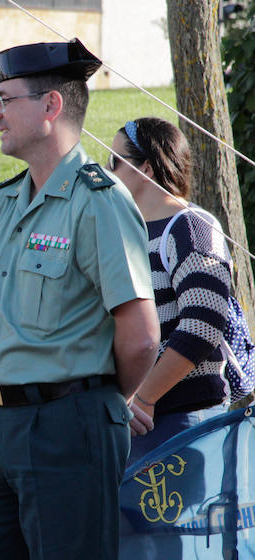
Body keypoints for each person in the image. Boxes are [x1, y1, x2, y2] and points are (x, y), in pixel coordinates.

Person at [0, 40, 161, 559]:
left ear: (51, 106)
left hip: (66, 428)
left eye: (4, 99)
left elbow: (140, 339)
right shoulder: (2, 205)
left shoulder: (101, 203)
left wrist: (94, 405)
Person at [107, 117, 231, 468]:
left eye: (114, 161)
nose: (105, 170)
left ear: (145, 166)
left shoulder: (191, 227)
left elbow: (203, 327)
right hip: (133, 423)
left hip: (184, 420)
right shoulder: (128, 231)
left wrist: (143, 399)